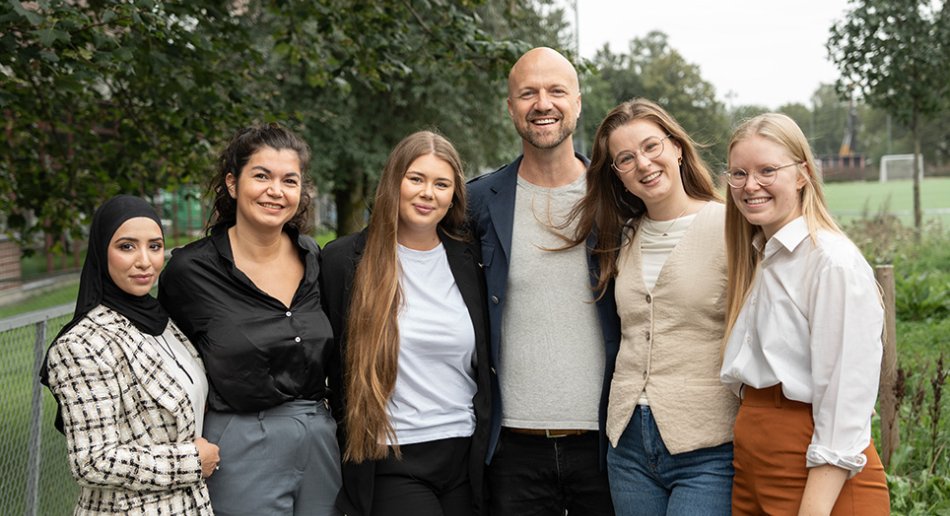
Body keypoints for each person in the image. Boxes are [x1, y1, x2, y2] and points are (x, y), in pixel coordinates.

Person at [562, 98, 737, 514]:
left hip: (707, 446)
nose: (643, 163)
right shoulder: (621, 238)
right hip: (629, 448)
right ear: (618, 176)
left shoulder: (730, 227)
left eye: (651, 146)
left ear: (676, 147)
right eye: (625, 158)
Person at [159, 123, 342, 516]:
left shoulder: (315, 258)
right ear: (232, 182)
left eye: (289, 180)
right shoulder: (190, 272)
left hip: (318, 437)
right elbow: (163, 369)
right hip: (238, 441)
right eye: (261, 176)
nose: (275, 190)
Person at [466, 46, 617, 515]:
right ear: (509, 107)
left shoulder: (615, 197)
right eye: (527, 93)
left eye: (556, 91)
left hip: (606, 443)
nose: (542, 104)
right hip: (511, 447)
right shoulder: (477, 203)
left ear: (577, 100)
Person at [719, 113, 890, 515]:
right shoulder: (762, 256)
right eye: (739, 173)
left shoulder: (832, 262)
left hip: (814, 467)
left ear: (802, 175)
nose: (750, 185)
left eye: (767, 170)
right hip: (753, 462)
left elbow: (845, 401)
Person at [321, 130, 491, 516]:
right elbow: (329, 360)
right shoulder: (344, 261)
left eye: (441, 184)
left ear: (454, 196)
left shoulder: (471, 259)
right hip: (393, 457)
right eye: (416, 179)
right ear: (393, 181)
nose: (428, 193)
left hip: (465, 454)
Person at [42, 195, 217, 515]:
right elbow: (92, 461)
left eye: (154, 246)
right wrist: (192, 461)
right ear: (100, 251)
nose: (145, 260)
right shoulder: (83, 345)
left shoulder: (164, 324)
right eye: (126, 246)